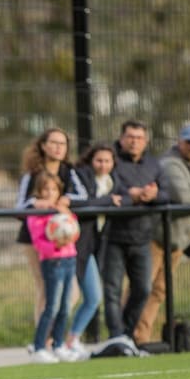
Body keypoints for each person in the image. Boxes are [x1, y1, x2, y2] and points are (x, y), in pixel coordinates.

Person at [133, 123, 190, 346]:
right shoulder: (170, 164)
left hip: (178, 240)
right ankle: (129, 336)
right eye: (189, 142)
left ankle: (141, 337)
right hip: (158, 237)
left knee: (160, 291)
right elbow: (184, 198)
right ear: (179, 142)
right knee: (142, 288)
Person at [102, 120, 169, 340]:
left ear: (145, 141)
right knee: (112, 291)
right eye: (130, 137)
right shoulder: (111, 160)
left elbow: (168, 194)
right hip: (114, 237)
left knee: (142, 290)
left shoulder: (153, 163)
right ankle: (115, 336)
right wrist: (132, 195)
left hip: (142, 238)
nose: (134, 142)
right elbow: (111, 190)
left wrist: (153, 196)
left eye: (139, 138)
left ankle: (127, 336)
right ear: (122, 139)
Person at [15, 128, 86, 326]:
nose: (58, 147)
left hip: (62, 240)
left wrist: (67, 199)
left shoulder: (69, 172)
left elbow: (83, 196)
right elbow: (19, 206)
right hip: (34, 240)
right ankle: (41, 344)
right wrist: (35, 204)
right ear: (44, 146)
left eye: (62, 144)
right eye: (53, 143)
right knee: (45, 289)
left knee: (71, 292)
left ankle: (53, 336)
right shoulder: (32, 174)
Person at [66, 142, 122, 353]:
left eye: (108, 161)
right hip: (74, 245)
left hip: (94, 247)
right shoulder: (80, 176)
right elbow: (80, 203)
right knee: (69, 297)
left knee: (93, 297)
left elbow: (122, 199)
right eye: (99, 160)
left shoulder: (113, 181)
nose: (103, 165)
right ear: (90, 160)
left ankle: (72, 340)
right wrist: (107, 201)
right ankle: (51, 341)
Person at [26, 173, 81, 363]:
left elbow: (74, 230)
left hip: (69, 260)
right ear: (39, 193)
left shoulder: (63, 211)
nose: (50, 193)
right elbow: (39, 242)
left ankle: (59, 345)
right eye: (46, 190)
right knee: (52, 306)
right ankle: (39, 346)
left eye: (54, 189)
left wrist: (65, 215)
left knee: (66, 306)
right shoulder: (37, 214)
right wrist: (56, 244)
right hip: (53, 263)